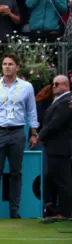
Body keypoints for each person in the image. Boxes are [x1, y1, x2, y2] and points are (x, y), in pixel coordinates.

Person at [0, 54, 38, 220]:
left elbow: (31, 111)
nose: (7, 66)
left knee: (16, 173)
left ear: (17, 67)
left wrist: (34, 133)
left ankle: (14, 211)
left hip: (17, 132)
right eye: (4, 64)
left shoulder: (27, 87)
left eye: (10, 64)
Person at [38, 75, 72, 221]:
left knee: (63, 180)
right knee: (56, 179)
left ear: (66, 85)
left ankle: (65, 212)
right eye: (53, 83)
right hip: (55, 146)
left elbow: (56, 122)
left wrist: (41, 135)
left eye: (57, 84)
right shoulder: (60, 100)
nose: (54, 86)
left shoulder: (66, 101)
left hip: (60, 146)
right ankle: (58, 210)